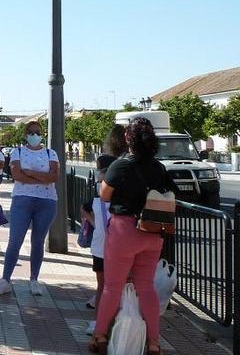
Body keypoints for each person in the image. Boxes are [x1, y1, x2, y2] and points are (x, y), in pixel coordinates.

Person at [91, 118, 176, 355]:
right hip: (152, 232)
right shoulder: (159, 167)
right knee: (146, 287)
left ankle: (99, 336)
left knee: (112, 286)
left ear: (128, 138)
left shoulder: (121, 165)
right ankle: (153, 342)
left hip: (124, 231)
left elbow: (105, 195)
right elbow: (170, 192)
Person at [0, 120, 60, 296]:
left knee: (38, 241)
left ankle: (34, 279)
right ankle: (5, 279)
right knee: (15, 240)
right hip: (22, 200)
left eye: (38, 132)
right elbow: (16, 174)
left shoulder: (50, 153)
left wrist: (28, 173)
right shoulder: (18, 152)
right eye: (31, 132)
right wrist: (41, 177)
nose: (34, 136)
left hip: (47, 201)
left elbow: (54, 176)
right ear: (25, 134)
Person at [83, 124, 127, 335]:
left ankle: (98, 324)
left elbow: (93, 221)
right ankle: (116, 324)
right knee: (120, 286)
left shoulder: (97, 202)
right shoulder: (122, 203)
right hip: (120, 247)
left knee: (102, 287)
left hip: (100, 248)